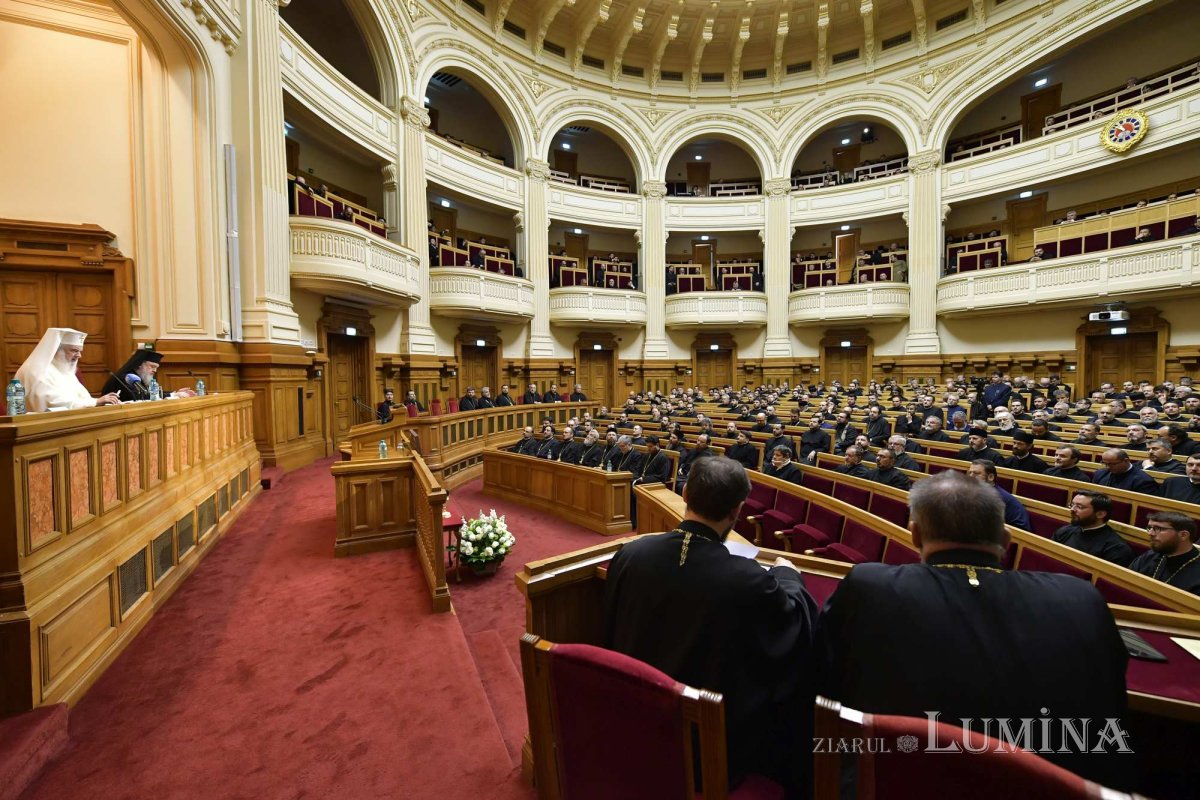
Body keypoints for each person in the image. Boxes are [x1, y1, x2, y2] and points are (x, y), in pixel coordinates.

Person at [812, 470, 1130, 788]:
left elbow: (825, 675)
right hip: (1052, 787)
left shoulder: (869, 584)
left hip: (901, 781)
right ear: (1006, 541)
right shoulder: (1081, 596)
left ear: (915, 535)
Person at [603, 457, 817, 792]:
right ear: (736, 510)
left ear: (685, 492)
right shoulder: (747, 580)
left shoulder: (632, 553)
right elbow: (792, 624)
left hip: (634, 716)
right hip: (705, 740)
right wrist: (788, 575)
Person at [15, 328, 122, 411]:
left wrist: (103, 401)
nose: (79, 355)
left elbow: (82, 398)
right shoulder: (37, 370)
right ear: (56, 350)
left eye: (80, 351)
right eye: (74, 350)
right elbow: (53, 403)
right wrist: (96, 402)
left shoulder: (64, 371)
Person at [1051, 491, 1134, 567]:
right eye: (1072, 505)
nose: (1072, 509)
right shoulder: (1064, 531)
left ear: (1100, 514)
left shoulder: (1116, 549)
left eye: (1079, 507)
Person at [1128, 512, 1200, 595]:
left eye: (1158, 528)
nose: (1150, 533)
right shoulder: (1149, 556)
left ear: (1183, 535)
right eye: (1149, 528)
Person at [966, 460, 1032, 531]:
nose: (971, 476)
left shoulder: (1000, 498)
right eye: (970, 472)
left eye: (976, 473)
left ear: (990, 477)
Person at [1092, 448, 1159, 495]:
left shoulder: (1144, 481)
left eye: (1112, 464)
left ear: (1126, 461)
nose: (1107, 467)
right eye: (1105, 463)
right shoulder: (1100, 473)